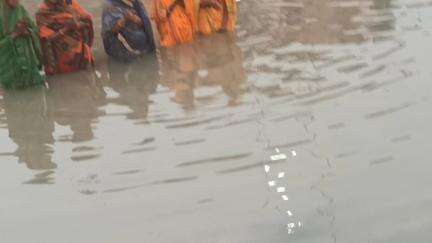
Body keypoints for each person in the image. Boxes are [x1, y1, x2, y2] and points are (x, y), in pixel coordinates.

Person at [36, 0, 94, 75]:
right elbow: (46, 39)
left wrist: (78, 23)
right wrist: (66, 29)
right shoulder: (42, 14)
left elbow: (86, 19)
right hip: (60, 59)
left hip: (81, 55)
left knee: (85, 79)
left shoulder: (70, 3)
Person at [0, 0, 44, 89]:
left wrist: (27, 32)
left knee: (34, 91)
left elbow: (35, 30)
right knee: (11, 94)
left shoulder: (21, 10)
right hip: (7, 67)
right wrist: (14, 35)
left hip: (28, 63)